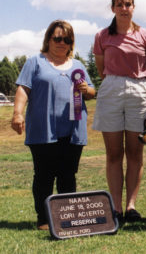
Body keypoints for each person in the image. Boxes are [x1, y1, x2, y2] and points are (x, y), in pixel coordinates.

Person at [11, 20, 95, 230]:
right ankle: (44, 219)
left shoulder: (78, 66)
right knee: (44, 175)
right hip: (43, 129)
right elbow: (23, 89)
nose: (62, 43)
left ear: (71, 43)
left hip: (73, 130)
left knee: (68, 175)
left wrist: (87, 90)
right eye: (57, 38)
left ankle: (66, 218)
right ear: (48, 39)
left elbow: (92, 92)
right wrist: (17, 113)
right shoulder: (35, 62)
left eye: (67, 39)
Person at [92, 0, 146, 223]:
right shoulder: (102, 36)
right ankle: (116, 208)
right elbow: (100, 70)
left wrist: (135, 82)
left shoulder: (145, 35)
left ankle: (131, 206)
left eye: (128, 4)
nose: (124, 8)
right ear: (113, 8)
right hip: (111, 89)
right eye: (119, 4)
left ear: (133, 7)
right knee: (113, 153)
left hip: (139, 90)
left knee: (134, 152)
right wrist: (118, 82)